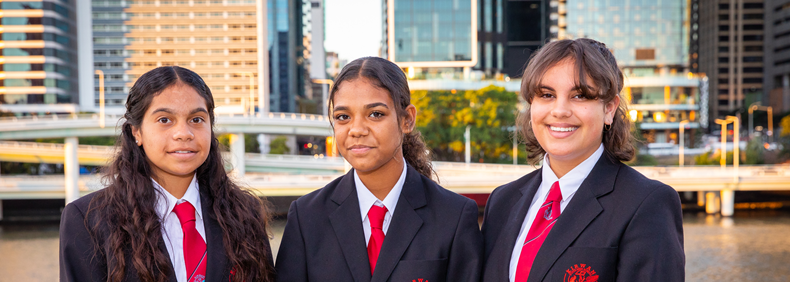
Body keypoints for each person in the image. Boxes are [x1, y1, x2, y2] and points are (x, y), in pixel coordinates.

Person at [481, 38, 685, 282]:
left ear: (609, 108)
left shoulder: (647, 203)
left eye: (579, 96)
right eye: (547, 94)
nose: (560, 110)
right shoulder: (502, 201)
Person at [275, 57, 483, 282]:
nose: (357, 130)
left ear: (407, 120)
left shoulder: (454, 216)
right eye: (343, 117)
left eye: (375, 114)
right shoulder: (307, 218)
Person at [59, 66, 275, 282]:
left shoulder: (245, 214)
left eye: (196, 119)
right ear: (137, 132)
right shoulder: (88, 221)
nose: (184, 133)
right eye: (165, 120)